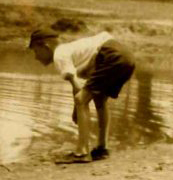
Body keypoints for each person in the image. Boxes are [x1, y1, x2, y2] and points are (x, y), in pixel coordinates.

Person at [29, 27, 135, 163]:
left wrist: (77, 108)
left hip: (110, 55)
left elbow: (78, 90)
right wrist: (78, 106)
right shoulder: (72, 51)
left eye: (35, 51)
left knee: (81, 100)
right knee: (100, 99)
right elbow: (80, 84)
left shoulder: (59, 55)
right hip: (126, 57)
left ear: (45, 46)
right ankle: (102, 148)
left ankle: (82, 152)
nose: (36, 57)